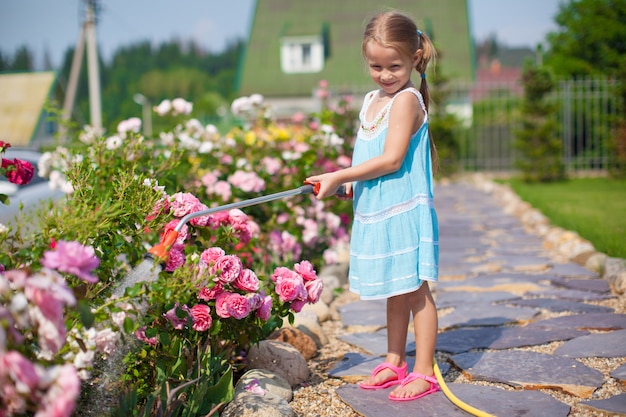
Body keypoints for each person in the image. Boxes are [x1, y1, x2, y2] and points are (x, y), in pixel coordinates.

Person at [306, 10, 440, 402]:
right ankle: (395, 361)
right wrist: (349, 185)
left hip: (403, 212)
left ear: (415, 58)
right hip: (378, 211)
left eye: (394, 66)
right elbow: (368, 155)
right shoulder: (371, 101)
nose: (384, 75)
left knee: (416, 291)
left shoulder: (406, 101)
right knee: (394, 290)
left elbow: (392, 159)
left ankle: (424, 370)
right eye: (375, 66)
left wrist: (340, 175)